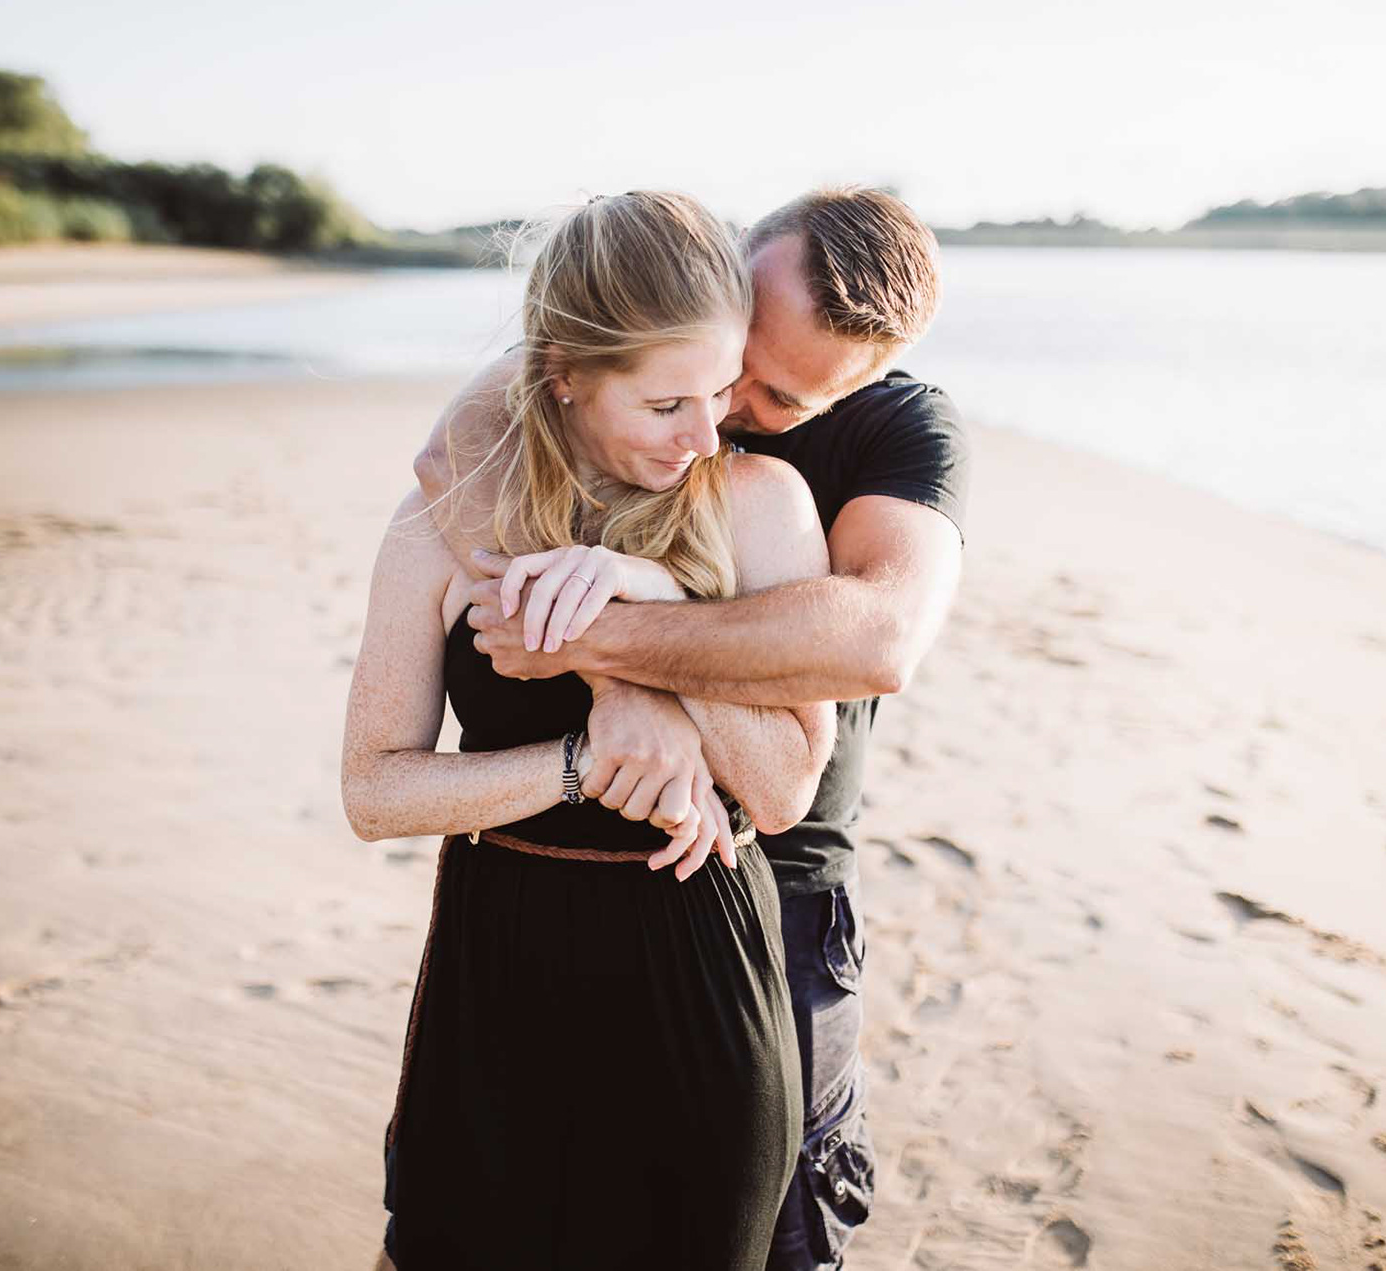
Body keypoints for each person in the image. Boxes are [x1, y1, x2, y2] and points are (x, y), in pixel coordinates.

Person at [414, 186, 969, 1270]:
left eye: (776, 395)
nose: (726, 409)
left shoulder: (904, 429)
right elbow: (455, 452)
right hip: (575, 869)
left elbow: (880, 637)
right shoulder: (666, 322)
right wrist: (613, 690)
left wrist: (610, 644)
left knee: (782, 1228)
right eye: (732, 361)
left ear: (862, 381)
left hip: (783, 874)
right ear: (738, 264)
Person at [342, 189, 838, 1270]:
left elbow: (784, 788)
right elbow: (374, 792)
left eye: (721, 389)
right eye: (665, 404)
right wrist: (576, 764)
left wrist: (655, 605)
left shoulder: (761, 503)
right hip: (500, 964)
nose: (705, 434)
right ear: (565, 372)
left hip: (702, 968)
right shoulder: (444, 517)